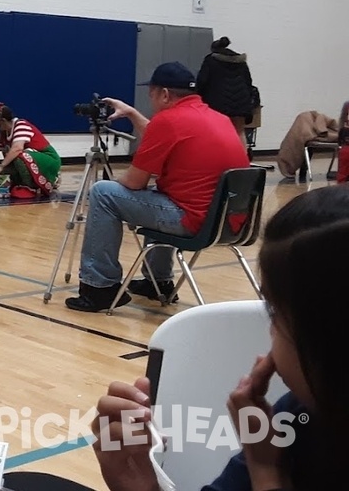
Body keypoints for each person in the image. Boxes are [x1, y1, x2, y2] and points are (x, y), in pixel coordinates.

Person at [87, 183, 348, 491]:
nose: (268, 331)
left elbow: (133, 179)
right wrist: (142, 485)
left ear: (325, 343)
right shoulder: (301, 412)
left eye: (275, 312)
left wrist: (265, 471)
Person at [66, 62, 249, 313]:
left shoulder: (169, 121)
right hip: (231, 223)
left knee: (103, 192)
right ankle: (158, 281)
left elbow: (134, 182)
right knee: (161, 195)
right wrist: (131, 113)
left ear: (164, 94)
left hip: (193, 222)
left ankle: (99, 288)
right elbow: (164, 133)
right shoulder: (219, 118)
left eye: (150, 94)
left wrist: (116, 179)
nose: (150, 100)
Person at [0, 103, 60, 199]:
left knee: (19, 156)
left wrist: (1, 167)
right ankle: (18, 183)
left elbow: (17, 148)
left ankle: (31, 187)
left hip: (48, 158)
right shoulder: (3, 134)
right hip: (30, 160)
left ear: (3, 121)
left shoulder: (21, 126)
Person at [195, 36, 257, 148]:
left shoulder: (211, 60)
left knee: (217, 132)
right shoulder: (241, 62)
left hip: (217, 104)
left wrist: (198, 97)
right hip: (241, 103)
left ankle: (220, 160)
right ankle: (242, 161)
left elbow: (202, 81)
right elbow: (248, 82)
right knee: (239, 132)